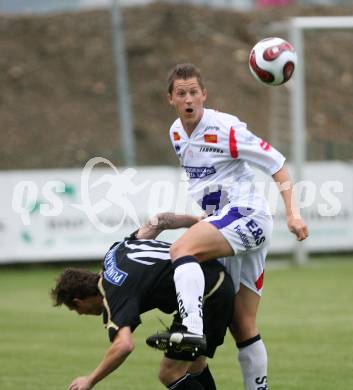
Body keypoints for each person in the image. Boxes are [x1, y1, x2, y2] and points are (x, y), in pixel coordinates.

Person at [148, 63, 309, 390]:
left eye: (194, 91)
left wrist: (293, 213)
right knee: (243, 323)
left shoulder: (226, 129)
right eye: (182, 93)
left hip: (247, 216)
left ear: (204, 94)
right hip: (227, 226)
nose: (189, 98)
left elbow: (276, 163)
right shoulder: (176, 133)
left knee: (182, 249)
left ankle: (192, 327)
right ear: (171, 99)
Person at [51, 213, 235, 390]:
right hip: (216, 278)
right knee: (194, 364)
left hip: (207, 294)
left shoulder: (112, 295)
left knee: (169, 373)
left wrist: (90, 380)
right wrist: (196, 220)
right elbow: (159, 220)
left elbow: (123, 345)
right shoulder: (114, 253)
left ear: (79, 301)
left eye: (76, 309)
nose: (81, 314)